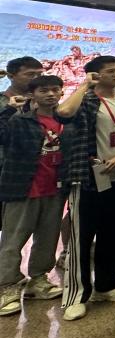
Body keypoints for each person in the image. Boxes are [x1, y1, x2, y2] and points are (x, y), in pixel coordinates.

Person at [56, 56, 115, 321]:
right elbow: (64, 113)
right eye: (110, 71)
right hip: (88, 176)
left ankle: (106, 285)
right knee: (82, 237)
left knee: (114, 233)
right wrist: (84, 85)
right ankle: (76, 295)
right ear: (95, 74)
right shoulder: (87, 99)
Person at [0, 75, 66, 315]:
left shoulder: (65, 119)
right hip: (24, 188)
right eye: (44, 90)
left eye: (55, 90)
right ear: (32, 94)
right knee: (13, 240)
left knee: (48, 238)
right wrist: (9, 110)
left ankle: (38, 280)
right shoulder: (21, 120)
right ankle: (6, 286)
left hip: (55, 189)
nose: (50, 94)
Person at [0, 57, 44, 232]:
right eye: (30, 74)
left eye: (40, 74)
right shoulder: (3, 102)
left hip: (31, 172)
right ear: (11, 76)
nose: (36, 78)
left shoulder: (44, 105)